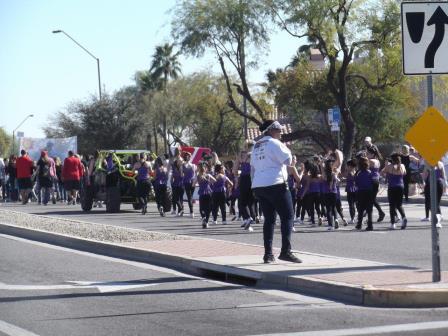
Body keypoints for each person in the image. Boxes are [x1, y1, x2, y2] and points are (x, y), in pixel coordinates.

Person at [251, 120, 302, 264]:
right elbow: (288, 160)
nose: (281, 133)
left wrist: (253, 186)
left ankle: (268, 254)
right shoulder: (275, 143)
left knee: (269, 219)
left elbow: (253, 168)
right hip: (275, 183)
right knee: (288, 216)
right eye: (279, 130)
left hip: (259, 185)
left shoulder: (256, 145)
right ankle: (285, 251)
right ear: (272, 130)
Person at [382, 153, 408, 230]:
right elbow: (405, 173)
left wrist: (386, 164)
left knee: (392, 205)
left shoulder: (389, 167)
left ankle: (393, 223)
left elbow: (382, 172)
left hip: (392, 187)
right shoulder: (402, 166)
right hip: (400, 186)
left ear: (392, 160)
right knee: (399, 204)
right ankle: (404, 217)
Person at [421, 161, 445, 227]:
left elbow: (424, 176)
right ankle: (439, 218)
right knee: (436, 203)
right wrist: (445, 185)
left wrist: (423, 182)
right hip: (439, 184)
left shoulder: (428, 163)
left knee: (433, 203)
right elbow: (443, 176)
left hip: (432, 184)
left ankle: (438, 220)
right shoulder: (441, 163)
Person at [366, 145, 386, 222]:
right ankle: (380, 213)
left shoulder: (372, 161)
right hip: (374, 181)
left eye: (368, 153)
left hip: (373, 181)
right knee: (372, 199)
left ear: (373, 154)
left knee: (370, 200)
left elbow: (365, 163)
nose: (367, 155)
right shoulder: (375, 160)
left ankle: (370, 217)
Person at [355, 156, 375, 231]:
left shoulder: (358, 173)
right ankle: (370, 225)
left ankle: (359, 224)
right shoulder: (370, 172)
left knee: (360, 209)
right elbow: (374, 182)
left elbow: (356, 183)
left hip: (361, 192)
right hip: (369, 191)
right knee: (369, 209)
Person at [196, 163, 216, 228]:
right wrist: (209, 182)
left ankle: (203, 217)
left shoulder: (198, 176)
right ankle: (206, 222)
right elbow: (215, 180)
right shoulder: (208, 175)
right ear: (205, 169)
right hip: (209, 192)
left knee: (201, 207)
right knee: (208, 208)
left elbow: (193, 184)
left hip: (202, 192)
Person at [182, 152, 196, 218]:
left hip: (190, 182)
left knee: (190, 197)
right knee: (190, 197)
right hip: (189, 182)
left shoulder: (193, 165)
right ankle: (191, 212)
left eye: (189, 156)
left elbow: (195, 175)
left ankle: (191, 212)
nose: (188, 157)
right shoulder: (187, 165)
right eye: (188, 156)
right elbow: (182, 174)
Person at [345, 159, 358, 224]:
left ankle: (352, 219)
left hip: (350, 190)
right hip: (356, 190)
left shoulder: (349, 172)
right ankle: (358, 218)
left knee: (351, 205)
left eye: (347, 166)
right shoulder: (356, 172)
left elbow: (349, 178)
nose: (346, 167)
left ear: (350, 166)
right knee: (357, 204)